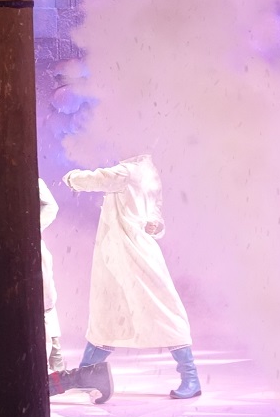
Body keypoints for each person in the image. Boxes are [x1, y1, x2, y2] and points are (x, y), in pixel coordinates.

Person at [51, 155, 197, 402]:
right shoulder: (150, 172)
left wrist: (70, 178)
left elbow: (95, 179)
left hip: (132, 254)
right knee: (110, 312)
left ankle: (190, 376)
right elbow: (156, 216)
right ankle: (87, 372)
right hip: (122, 255)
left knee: (161, 311)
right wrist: (155, 226)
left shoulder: (127, 172)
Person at [39, 178, 65, 372]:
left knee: (45, 303)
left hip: (29, 251)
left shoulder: (27, 178)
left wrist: (29, 230)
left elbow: (50, 206)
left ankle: (56, 365)